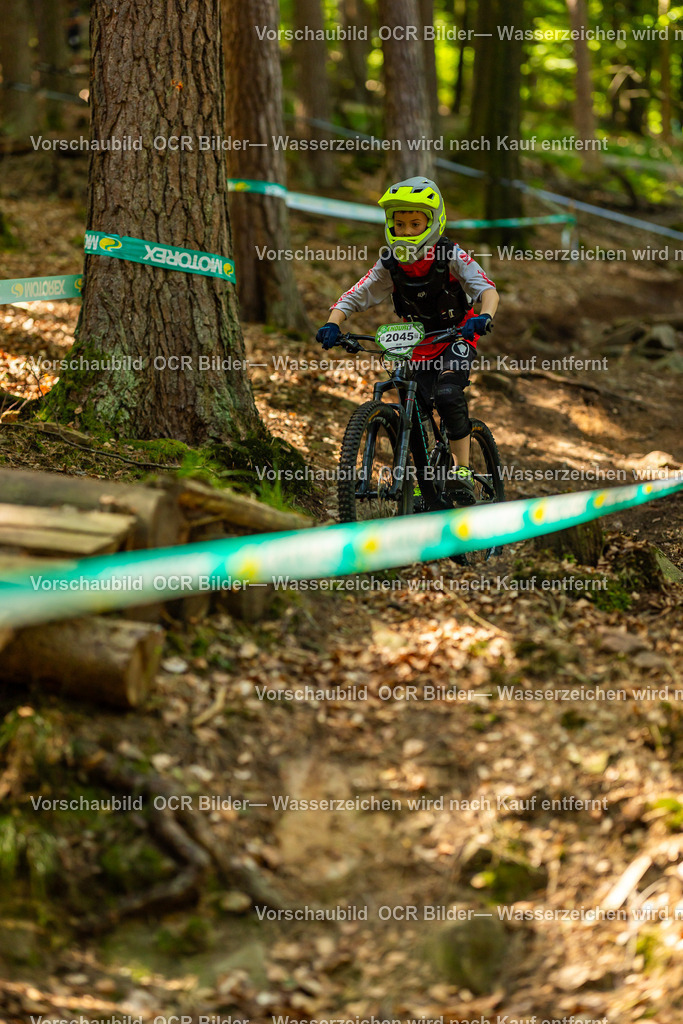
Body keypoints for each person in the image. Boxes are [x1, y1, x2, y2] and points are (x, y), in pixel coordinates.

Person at [316, 177, 499, 505]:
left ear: (433, 222)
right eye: (400, 224)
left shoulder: (449, 254)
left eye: (416, 224)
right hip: (417, 343)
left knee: (447, 393)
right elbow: (358, 293)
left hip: (457, 334)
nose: (407, 230)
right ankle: (422, 477)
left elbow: (486, 288)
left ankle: (462, 470)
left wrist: (485, 317)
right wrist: (333, 323)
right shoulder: (391, 263)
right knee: (414, 410)